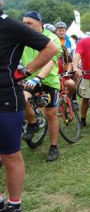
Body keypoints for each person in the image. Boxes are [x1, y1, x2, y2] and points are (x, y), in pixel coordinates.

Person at [0, 0, 59, 211]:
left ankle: (14, 205)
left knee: (9, 156)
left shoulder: (10, 26)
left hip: (6, 98)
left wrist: (26, 71)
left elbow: (51, 48)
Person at [21, 11, 63, 162]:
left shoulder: (52, 38)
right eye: (23, 23)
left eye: (29, 23)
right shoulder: (23, 38)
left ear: (40, 22)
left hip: (48, 80)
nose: (25, 26)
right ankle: (33, 123)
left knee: (51, 113)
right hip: (30, 78)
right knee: (21, 99)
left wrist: (39, 78)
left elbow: (51, 60)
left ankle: (53, 146)